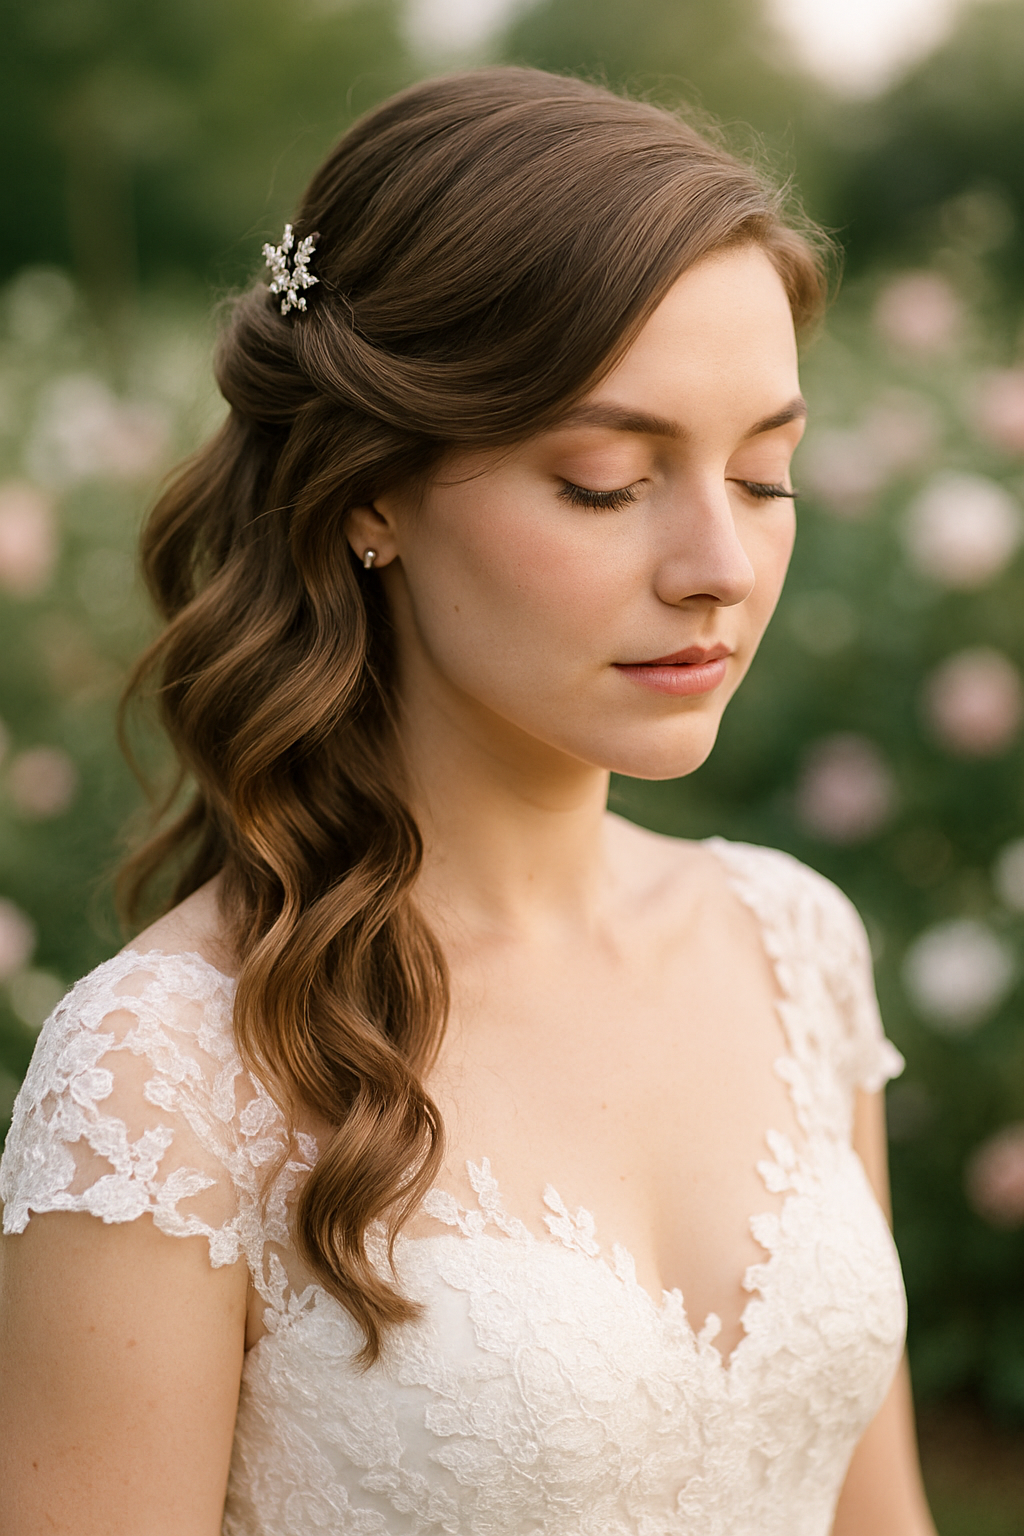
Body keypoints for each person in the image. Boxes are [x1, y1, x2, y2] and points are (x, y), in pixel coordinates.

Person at [0, 67, 936, 1536]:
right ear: (370, 491)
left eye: (765, 474)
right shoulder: (161, 1078)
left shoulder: (791, 946)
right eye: (606, 481)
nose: (721, 565)